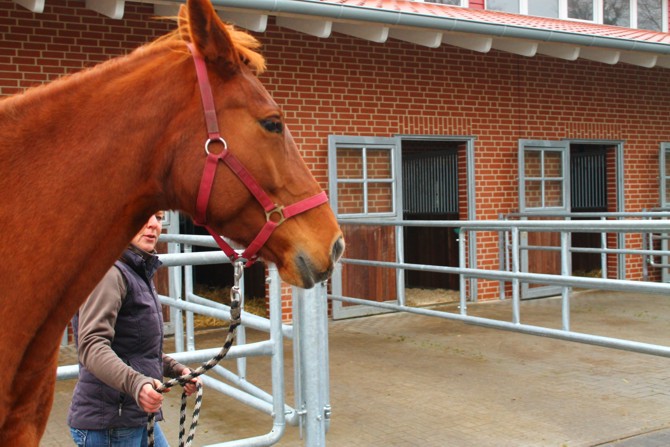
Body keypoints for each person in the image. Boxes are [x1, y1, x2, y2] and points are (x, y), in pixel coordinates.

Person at [68, 211, 201, 447]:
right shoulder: (110, 273)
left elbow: (136, 351)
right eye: (143, 216)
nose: (153, 225)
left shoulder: (136, 269)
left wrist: (176, 370)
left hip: (132, 415)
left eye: (159, 218)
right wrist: (137, 384)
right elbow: (91, 345)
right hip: (110, 424)